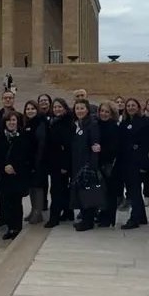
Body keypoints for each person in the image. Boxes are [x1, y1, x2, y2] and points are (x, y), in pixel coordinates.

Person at [118, 98, 149, 229]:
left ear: (138, 107)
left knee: (135, 191)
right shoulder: (124, 122)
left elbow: (147, 144)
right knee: (133, 190)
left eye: (133, 105)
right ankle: (141, 216)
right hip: (127, 161)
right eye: (128, 106)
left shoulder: (145, 122)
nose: (131, 107)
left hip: (138, 161)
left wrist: (145, 164)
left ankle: (135, 218)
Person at [0, 111, 30, 240]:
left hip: (17, 175)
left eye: (14, 120)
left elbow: (27, 156)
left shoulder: (23, 136)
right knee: (6, 203)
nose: (11, 122)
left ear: (17, 122)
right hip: (4, 176)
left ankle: (17, 228)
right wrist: (4, 167)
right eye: (9, 120)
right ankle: (10, 227)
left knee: (16, 203)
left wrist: (15, 168)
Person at [70, 98, 101, 232]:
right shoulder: (77, 125)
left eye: (82, 108)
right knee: (80, 193)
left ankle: (88, 221)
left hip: (87, 165)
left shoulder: (92, 125)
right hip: (77, 164)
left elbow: (95, 145)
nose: (79, 111)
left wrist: (92, 165)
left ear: (87, 110)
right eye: (77, 108)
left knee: (88, 193)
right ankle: (84, 218)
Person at [44, 98, 74, 228]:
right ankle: (68, 212)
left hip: (61, 164)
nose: (57, 109)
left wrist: (64, 165)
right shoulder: (53, 121)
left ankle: (54, 218)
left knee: (56, 191)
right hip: (54, 161)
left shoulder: (67, 123)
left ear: (65, 108)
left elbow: (67, 146)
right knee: (63, 189)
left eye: (60, 107)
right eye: (55, 107)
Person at [95, 100, 121, 228]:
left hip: (109, 163)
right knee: (101, 191)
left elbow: (115, 147)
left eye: (107, 112)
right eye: (102, 111)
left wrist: (102, 149)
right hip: (98, 162)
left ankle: (109, 217)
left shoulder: (114, 127)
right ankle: (102, 213)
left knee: (109, 192)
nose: (104, 114)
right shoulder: (97, 125)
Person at [21, 100, 48, 225]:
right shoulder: (27, 123)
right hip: (29, 162)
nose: (30, 111)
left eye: (32, 108)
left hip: (39, 162)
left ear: (37, 110)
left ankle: (38, 212)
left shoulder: (40, 123)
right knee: (32, 186)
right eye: (28, 109)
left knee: (38, 186)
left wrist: (37, 162)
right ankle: (33, 210)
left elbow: (41, 144)